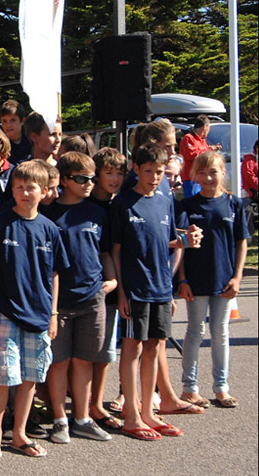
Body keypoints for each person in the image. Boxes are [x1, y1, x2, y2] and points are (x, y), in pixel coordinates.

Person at [0, 159, 70, 459]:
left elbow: (55, 273)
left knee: (30, 375)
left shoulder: (51, 230)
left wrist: (53, 314)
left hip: (40, 315)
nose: (24, 193)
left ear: (44, 191)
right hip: (5, 312)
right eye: (18, 187)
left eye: (31, 188)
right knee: (3, 375)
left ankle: (19, 434)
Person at [110, 142, 202, 441]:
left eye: (159, 172)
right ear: (135, 168)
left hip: (161, 288)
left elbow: (167, 241)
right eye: (148, 171)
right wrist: (122, 293)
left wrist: (186, 240)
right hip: (135, 289)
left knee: (154, 346)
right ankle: (132, 415)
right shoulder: (122, 204)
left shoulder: (166, 201)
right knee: (133, 347)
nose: (154, 177)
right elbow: (116, 251)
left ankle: (150, 410)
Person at [41, 152, 118, 444]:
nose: (89, 184)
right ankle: (60, 419)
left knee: (84, 360)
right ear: (64, 180)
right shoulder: (48, 213)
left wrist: (111, 281)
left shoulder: (98, 212)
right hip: (58, 302)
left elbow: (105, 251)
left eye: (91, 178)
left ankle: (82, 418)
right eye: (82, 178)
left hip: (92, 297)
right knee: (58, 362)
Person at [179, 151, 248, 408]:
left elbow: (241, 242)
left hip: (225, 279)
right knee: (195, 332)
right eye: (203, 172)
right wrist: (182, 279)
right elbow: (182, 247)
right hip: (196, 280)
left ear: (223, 172)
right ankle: (189, 387)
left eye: (214, 172)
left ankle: (221, 387)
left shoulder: (235, 205)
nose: (208, 178)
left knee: (221, 332)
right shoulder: (187, 206)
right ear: (195, 174)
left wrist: (237, 277)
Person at [88, 146, 128, 431]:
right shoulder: (84, 201)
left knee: (104, 351)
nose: (114, 179)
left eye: (119, 173)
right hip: (82, 286)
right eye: (108, 173)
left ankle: (97, 402)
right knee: (79, 353)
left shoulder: (120, 205)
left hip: (111, 286)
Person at [179, 115, 220, 197]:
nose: (208, 131)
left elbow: (205, 153)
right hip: (191, 179)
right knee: (193, 203)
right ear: (205, 127)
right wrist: (209, 149)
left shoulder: (202, 141)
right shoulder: (188, 138)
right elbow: (190, 155)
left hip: (202, 178)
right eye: (209, 128)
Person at [0, 99, 33, 167]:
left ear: (22, 121)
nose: (8, 125)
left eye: (13, 120)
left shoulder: (31, 142)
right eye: (4, 121)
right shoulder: (0, 145)